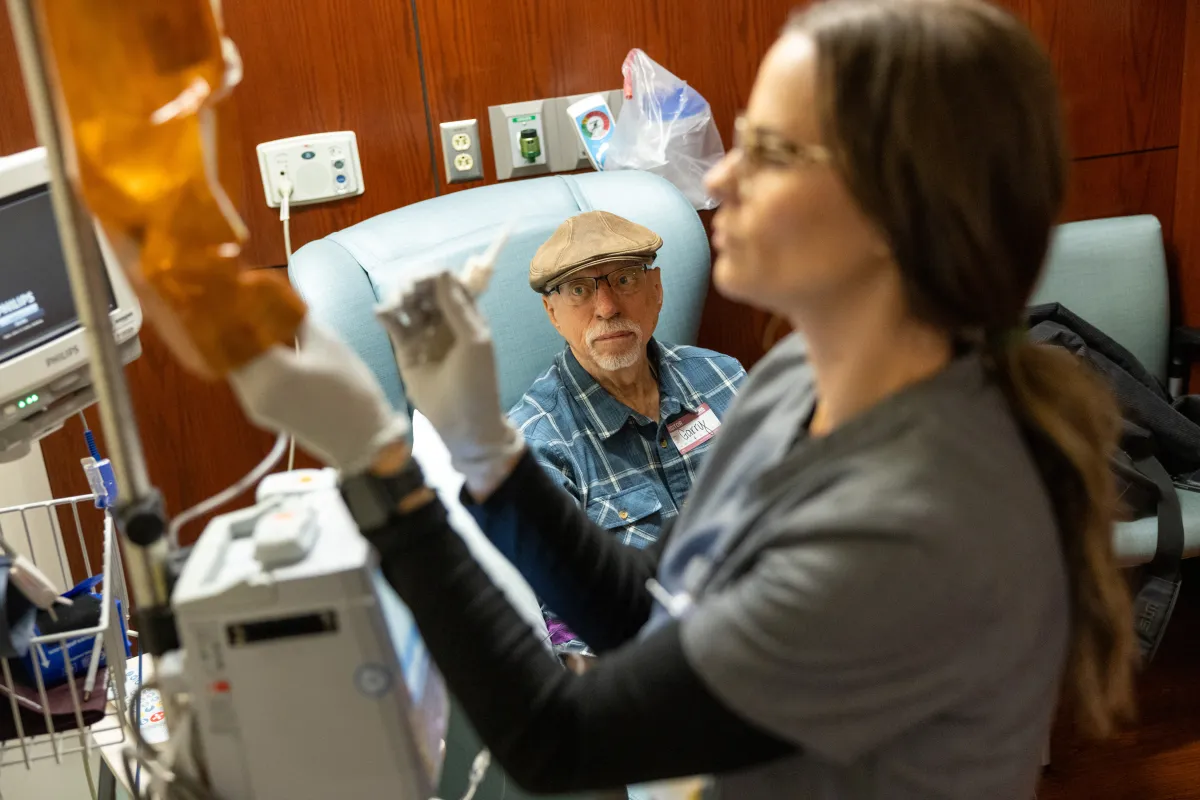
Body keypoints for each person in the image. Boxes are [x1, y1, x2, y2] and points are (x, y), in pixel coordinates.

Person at [241, 1, 1136, 796]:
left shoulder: (909, 525)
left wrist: (385, 475)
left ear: (892, 210)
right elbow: (649, 602)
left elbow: (561, 742)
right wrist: (486, 452)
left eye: (774, 154)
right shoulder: (796, 384)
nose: (717, 181)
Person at [510, 210, 745, 654]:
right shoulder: (536, 448)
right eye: (579, 289)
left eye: (624, 280)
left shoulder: (724, 377)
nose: (607, 307)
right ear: (552, 312)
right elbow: (571, 635)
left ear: (656, 290)